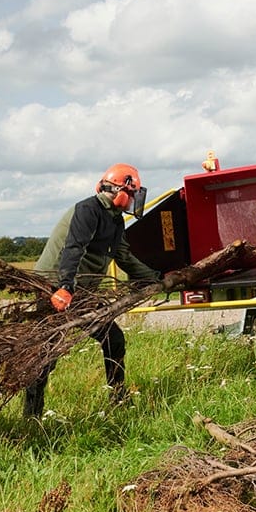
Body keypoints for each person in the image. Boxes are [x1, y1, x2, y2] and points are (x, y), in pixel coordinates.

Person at [24, 162, 160, 418]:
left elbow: (124, 256)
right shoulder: (88, 210)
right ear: (121, 189)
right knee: (46, 354)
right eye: (132, 194)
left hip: (83, 293)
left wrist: (156, 278)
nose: (133, 201)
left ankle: (118, 400)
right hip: (54, 288)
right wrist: (64, 288)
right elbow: (73, 248)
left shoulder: (115, 220)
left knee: (113, 338)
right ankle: (32, 415)